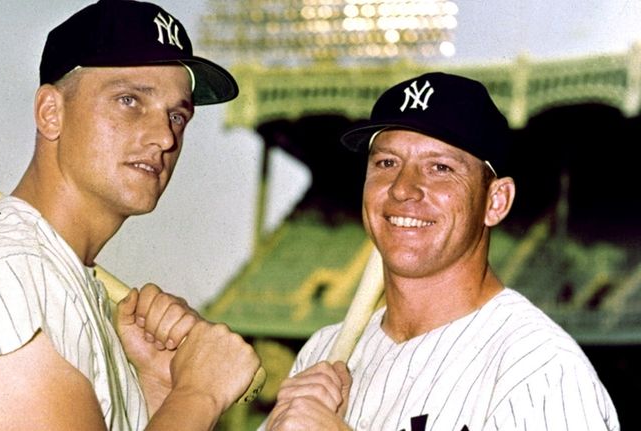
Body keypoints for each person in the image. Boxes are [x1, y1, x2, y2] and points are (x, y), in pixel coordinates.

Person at [0, 1, 261, 430]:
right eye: (129, 100)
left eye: (176, 115)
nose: (164, 137)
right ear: (51, 112)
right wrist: (201, 393)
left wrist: (156, 392)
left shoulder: (61, 280)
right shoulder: (4, 272)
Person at [263, 72, 619, 430]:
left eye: (440, 168)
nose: (403, 189)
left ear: (496, 201)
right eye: (387, 163)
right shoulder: (321, 354)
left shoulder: (541, 371)